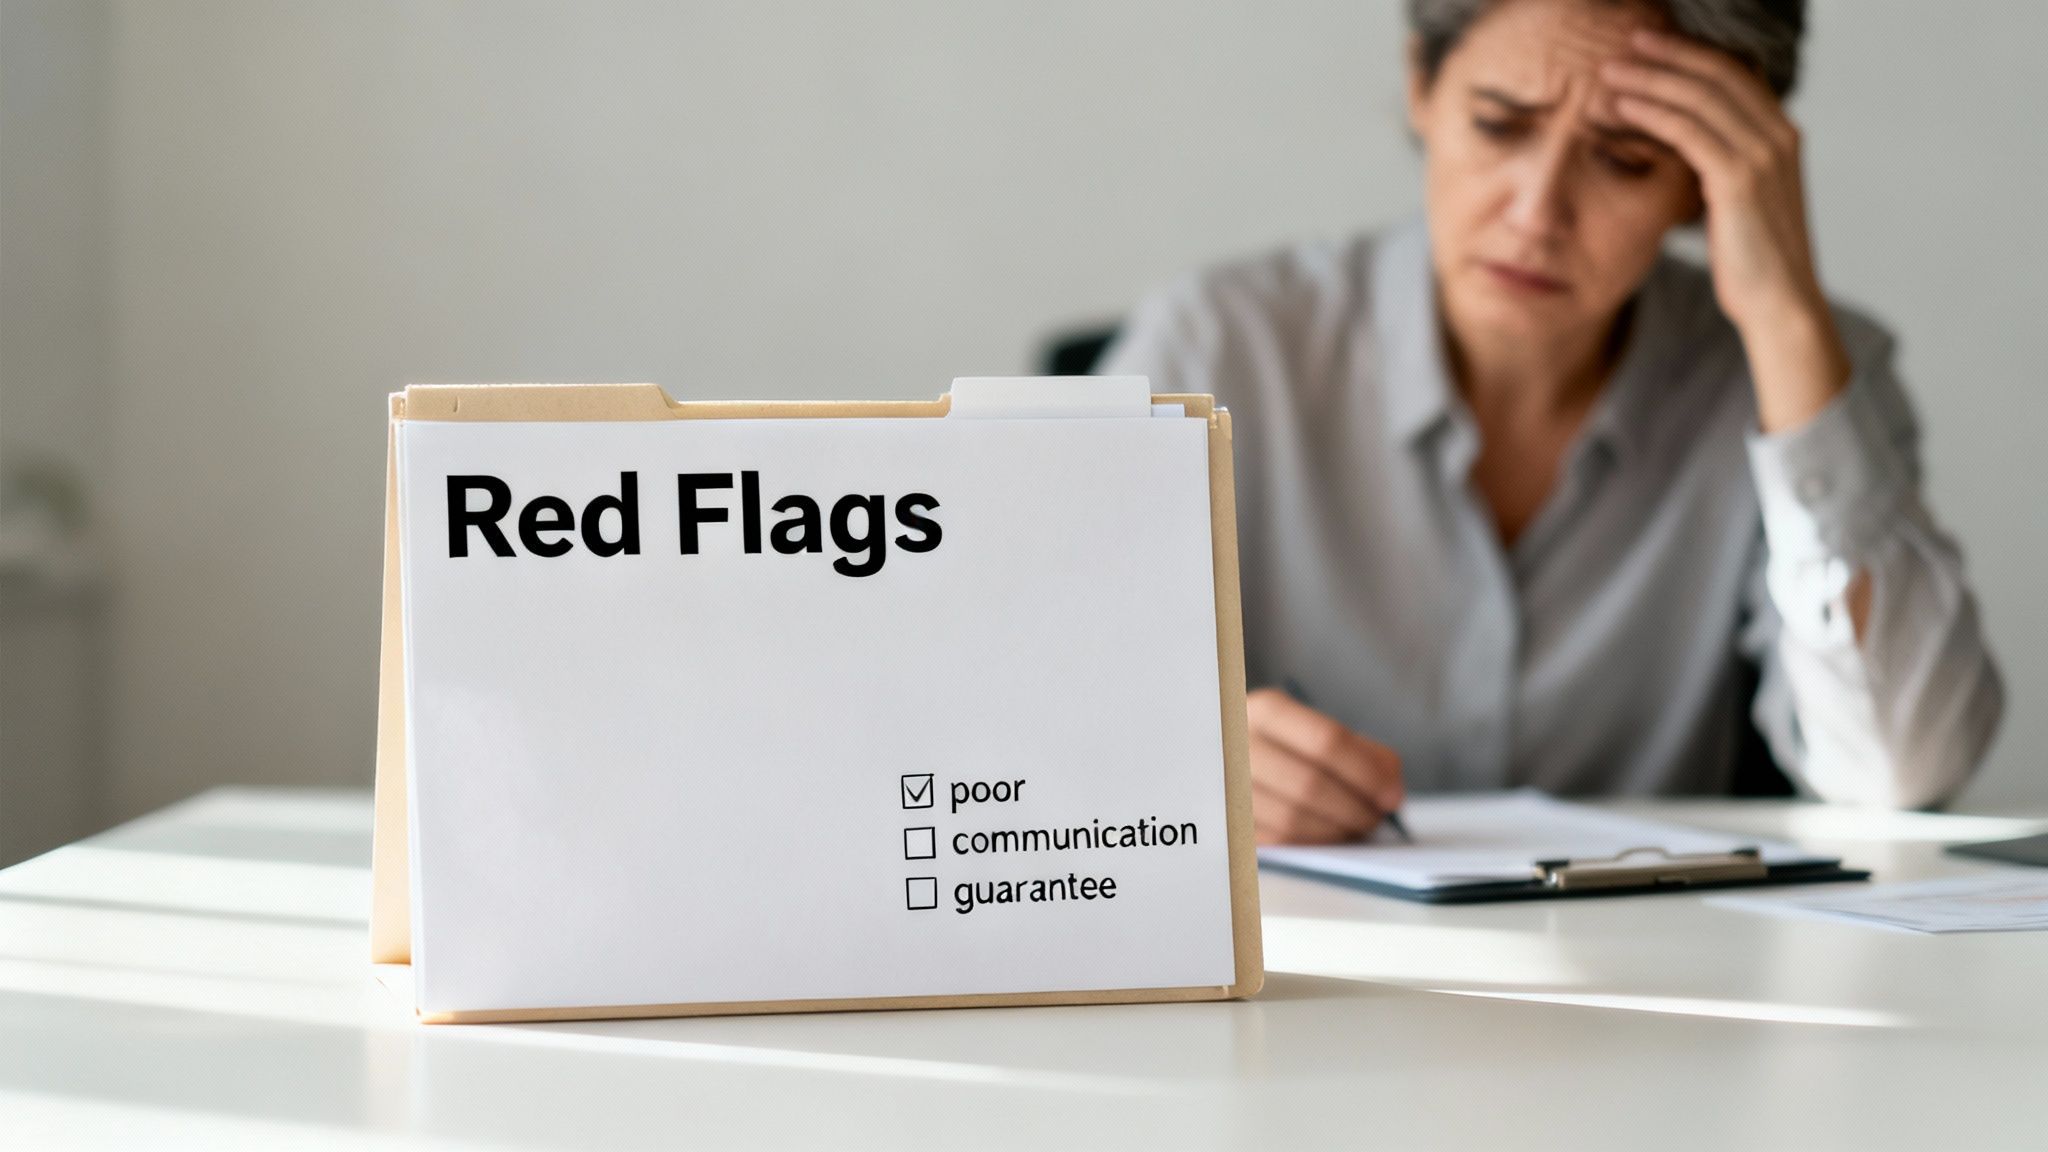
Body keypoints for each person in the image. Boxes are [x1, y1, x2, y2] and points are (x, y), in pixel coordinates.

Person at [1098, 0, 2003, 844]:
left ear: (1704, 184)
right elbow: (1025, 719)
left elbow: (1902, 770)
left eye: (1626, 160)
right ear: (1422, 88)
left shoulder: (1796, 366)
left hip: (1672, 978)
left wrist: (1785, 318)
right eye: (1499, 127)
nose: (1537, 214)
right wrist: (1178, 764)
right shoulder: (1219, 346)